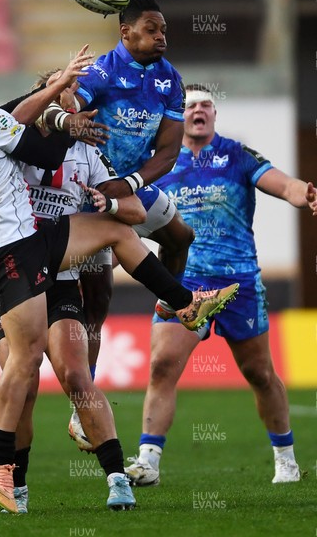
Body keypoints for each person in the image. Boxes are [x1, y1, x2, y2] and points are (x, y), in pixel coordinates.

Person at [0, 40, 239, 514]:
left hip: (43, 246)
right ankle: (3, 462)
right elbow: (30, 131)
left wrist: (109, 197)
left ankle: (185, 304)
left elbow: (127, 209)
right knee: (26, 369)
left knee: (78, 361)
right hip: (10, 252)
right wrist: (59, 105)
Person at [125, 84, 317, 487]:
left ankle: (285, 459)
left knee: (260, 373)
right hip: (183, 282)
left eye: (206, 105)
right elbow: (133, 206)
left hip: (239, 283)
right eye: (191, 105)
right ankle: (148, 462)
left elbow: (283, 185)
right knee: (162, 366)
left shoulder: (238, 155)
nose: (199, 111)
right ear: (180, 115)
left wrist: (306, 193)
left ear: (214, 114)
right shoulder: (160, 162)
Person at [0, 69, 146, 513]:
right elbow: (6, 118)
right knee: (26, 381)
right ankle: (16, 483)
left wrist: (108, 202)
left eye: (73, 92)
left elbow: (131, 209)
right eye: (59, 92)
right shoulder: (7, 143)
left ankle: (117, 478)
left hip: (60, 281)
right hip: (12, 280)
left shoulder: (89, 151)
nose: (70, 100)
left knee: (76, 375)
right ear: (44, 99)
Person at [44, 0, 197, 448]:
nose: (161, 37)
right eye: (151, 29)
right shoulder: (102, 73)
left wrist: (130, 182)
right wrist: (66, 110)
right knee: (98, 296)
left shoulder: (171, 81)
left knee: (180, 237)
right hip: (90, 191)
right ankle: (81, 406)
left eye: (163, 29)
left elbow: (168, 152)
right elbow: (69, 107)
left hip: (129, 185)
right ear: (125, 32)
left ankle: (169, 306)